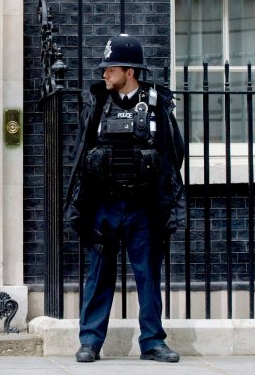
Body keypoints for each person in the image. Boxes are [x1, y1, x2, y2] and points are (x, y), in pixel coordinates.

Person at [64, 33, 186, 363]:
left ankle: (152, 342)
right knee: (99, 274)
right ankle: (90, 341)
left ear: (129, 71)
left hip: (143, 206)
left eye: (110, 68)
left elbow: (173, 154)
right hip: (104, 205)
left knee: (147, 275)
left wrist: (169, 205)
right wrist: (79, 205)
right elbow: (80, 155)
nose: (104, 73)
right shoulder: (98, 104)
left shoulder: (158, 104)